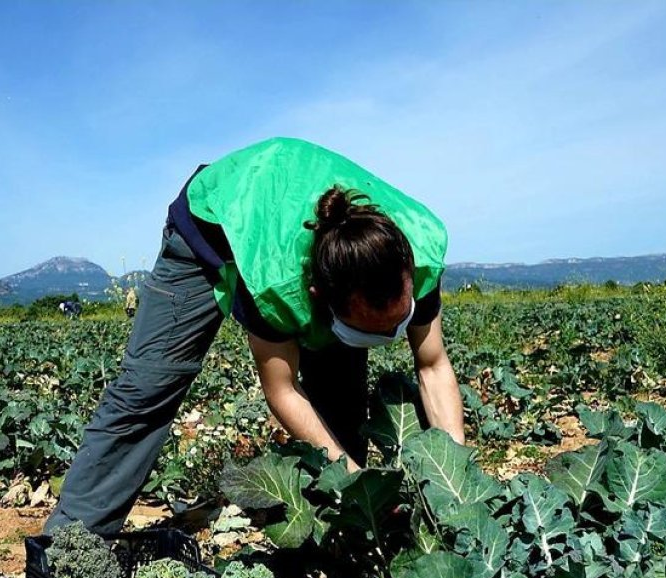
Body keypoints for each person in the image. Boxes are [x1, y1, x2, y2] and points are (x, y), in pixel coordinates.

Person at [46, 137, 463, 535]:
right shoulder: (276, 283)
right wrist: (358, 482)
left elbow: (433, 365)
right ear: (318, 296)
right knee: (148, 386)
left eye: (398, 320)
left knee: (340, 397)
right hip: (214, 220)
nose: (391, 335)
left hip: (313, 237)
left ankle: (338, 534)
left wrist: (455, 481)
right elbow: (283, 390)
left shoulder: (418, 255)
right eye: (370, 328)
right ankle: (71, 542)